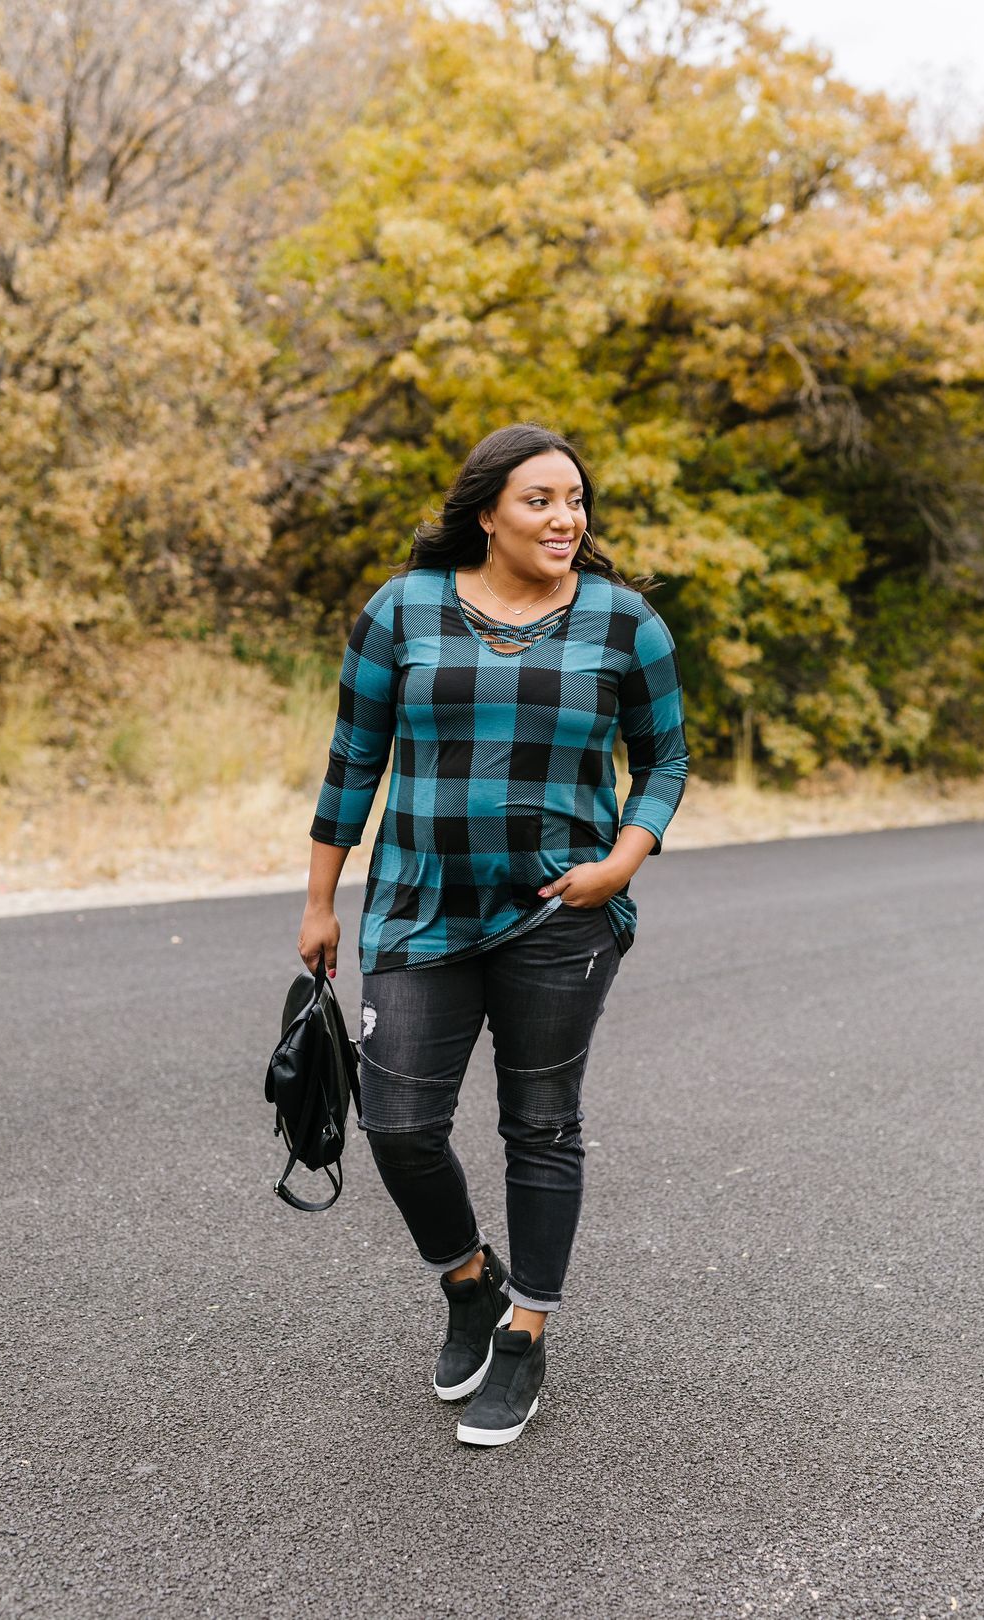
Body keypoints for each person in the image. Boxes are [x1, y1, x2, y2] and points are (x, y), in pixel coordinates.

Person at [298, 422, 688, 1447]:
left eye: (575, 500)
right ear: (487, 513)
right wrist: (319, 901)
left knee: (541, 1121)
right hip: (419, 906)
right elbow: (352, 764)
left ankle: (524, 1332)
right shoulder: (402, 611)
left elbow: (666, 761)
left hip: (562, 915)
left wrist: (624, 858)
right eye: (540, 501)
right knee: (399, 1126)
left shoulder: (623, 624)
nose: (567, 518)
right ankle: (471, 1282)